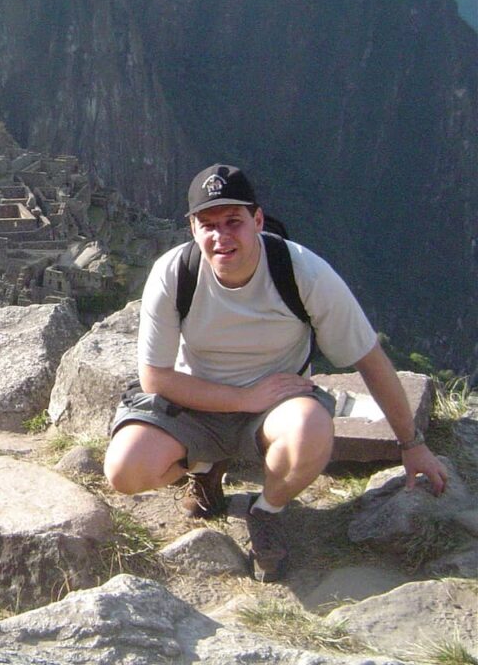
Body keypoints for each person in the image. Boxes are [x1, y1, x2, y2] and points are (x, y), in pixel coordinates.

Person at [103, 163, 448, 581]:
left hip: (277, 410)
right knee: (124, 470)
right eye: (208, 224)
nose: (221, 236)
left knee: (309, 432)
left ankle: (267, 509)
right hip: (196, 405)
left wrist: (412, 444)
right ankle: (204, 472)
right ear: (193, 228)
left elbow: (369, 358)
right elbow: (155, 380)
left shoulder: (301, 271)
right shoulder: (174, 273)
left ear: (258, 220)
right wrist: (244, 398)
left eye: (234, 222)